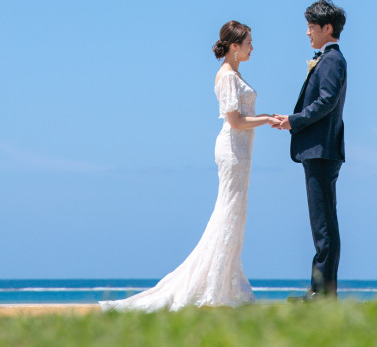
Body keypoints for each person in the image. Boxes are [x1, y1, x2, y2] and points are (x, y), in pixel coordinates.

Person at [101, 21, 272, 311]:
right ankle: (215, 286)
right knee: (228, 213)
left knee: (234, 214)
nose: (252, 47)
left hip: (242, 150)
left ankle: (226, 281)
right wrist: (268, 118)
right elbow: (235, 121)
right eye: (248, 42)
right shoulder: (227, 76)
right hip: (233, 149)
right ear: (234, 46)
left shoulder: (235, 74)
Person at [270, 0, 347, 297]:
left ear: (328, 28)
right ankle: (320, 290)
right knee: (322, 224)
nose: (307, 33)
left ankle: (322, 294)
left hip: (321, 149)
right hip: (320, 150)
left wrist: (294, 121)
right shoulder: (329, 59)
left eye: (311, 27)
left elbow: (325, 102)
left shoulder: (331, 61)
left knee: (323, 226)